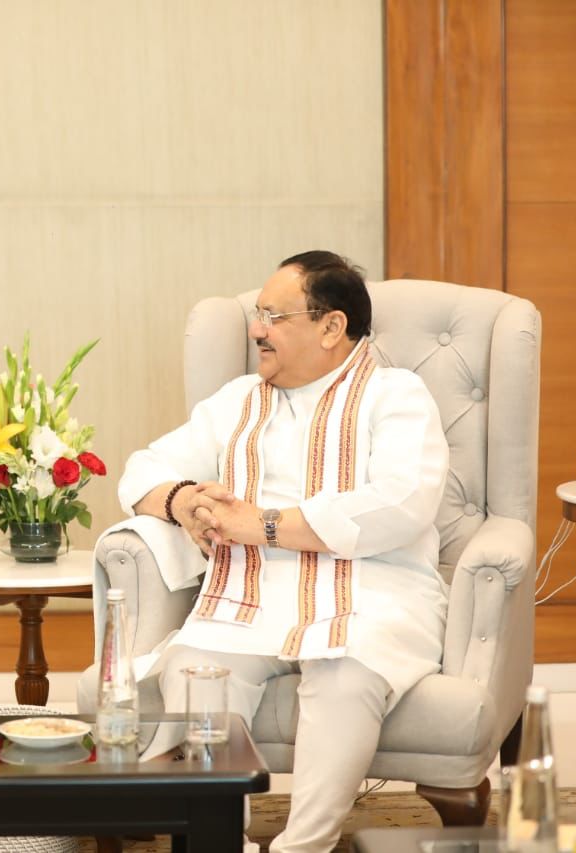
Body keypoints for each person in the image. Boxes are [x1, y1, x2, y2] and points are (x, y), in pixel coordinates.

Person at [118, 251, 449, 853]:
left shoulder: (395, 395)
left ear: (331, 326)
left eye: (273, 315)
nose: (256, 329)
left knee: (346, 675)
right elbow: (141, 469)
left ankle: (304, 847)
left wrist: (261, 524)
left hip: (372, 591)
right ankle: (220, 841)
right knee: (196, 670)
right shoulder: (238, 400)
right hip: (252, 593)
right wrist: (184, 499)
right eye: (257, 315)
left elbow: (401, 503)